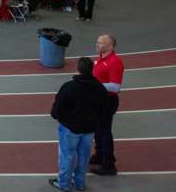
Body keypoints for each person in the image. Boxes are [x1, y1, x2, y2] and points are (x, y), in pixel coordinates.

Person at [48, 57, 108, 191]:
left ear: (79, 69)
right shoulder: (100, 88)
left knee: (67, 157)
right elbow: (104, 110)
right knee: (84, 157)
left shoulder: (69, 87)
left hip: (70, 128)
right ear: (92, 69)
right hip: (89, 129)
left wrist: (58, 116)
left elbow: (58, 107)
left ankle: (64, 184)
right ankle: (80, 183)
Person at [90, 34, 124, 176]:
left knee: (104, 132)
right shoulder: (100, 59)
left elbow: (115, 87)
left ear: (110, 46)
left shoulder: (115, 62)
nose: (97, 44)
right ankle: (99, 155)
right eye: (97, 42)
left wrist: (95, 85)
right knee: (98, 130)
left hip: (107, 101)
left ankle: (109, 165)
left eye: (101, 43)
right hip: (98, 100)